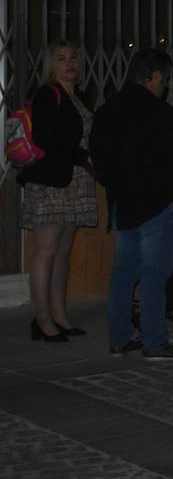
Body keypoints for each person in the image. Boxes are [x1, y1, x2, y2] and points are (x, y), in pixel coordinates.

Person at [90, 48, 173, 360]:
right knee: (154, 275)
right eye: (163, 80)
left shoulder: (107, 110)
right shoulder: (159, 113)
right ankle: (154, 340)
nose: (164, 86)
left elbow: (99, 160)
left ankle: (120, 338)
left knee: (125, 272)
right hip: (159, 206)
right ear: (154, 77)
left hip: (125, 205)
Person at [19, 40, 98, 341]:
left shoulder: (78, 95)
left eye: (74, 58)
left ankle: (59, 314)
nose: (70, 64)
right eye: (62, 59)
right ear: (51, 65)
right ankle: (41, 319)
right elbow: (48, 139)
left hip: (76, 181)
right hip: (51, 182)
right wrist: (84, 158)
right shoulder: (46, 94)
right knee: (46, 252)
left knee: (63, 251)